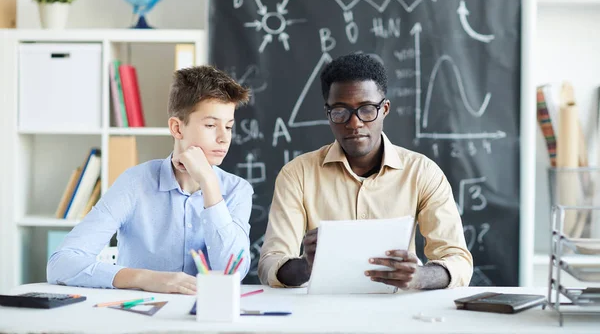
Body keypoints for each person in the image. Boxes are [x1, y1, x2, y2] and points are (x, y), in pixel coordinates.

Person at [258, 53, 473, 290]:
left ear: (385, 109)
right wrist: (306, 267)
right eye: (340, 112)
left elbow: (458, 260)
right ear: (327, 113)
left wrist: (420, 277)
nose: (354, 123)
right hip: (322, 314)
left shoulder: (422, 173)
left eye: (367, 109)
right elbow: (270, 263)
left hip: (399, 313)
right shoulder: (297, 174)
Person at [48, 65, 253, 294]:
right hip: (140, 318)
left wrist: (209, 185)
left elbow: (231, 274)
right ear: (177, 128)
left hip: (207, 320)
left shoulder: (237, 190)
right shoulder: (135, 183)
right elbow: (61, 263)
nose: (224, 138)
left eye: (228, 126)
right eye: (211, 125)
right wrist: (146, 278)